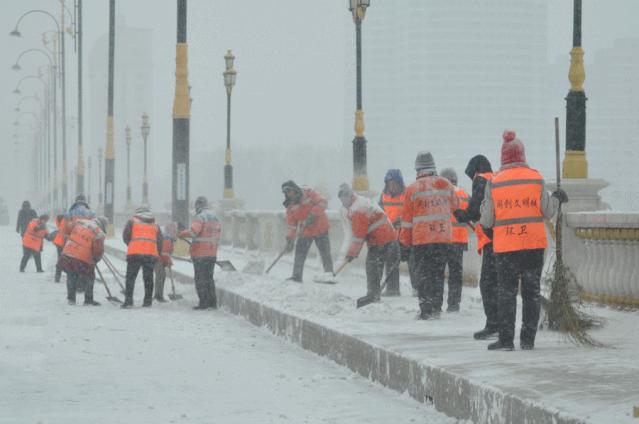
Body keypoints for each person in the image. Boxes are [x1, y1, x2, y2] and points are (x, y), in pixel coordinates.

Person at [480, 130, 567, 351]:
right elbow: (548, 212)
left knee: (507, 293)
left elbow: (487, 219)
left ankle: (507, 340)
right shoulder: (535, 178)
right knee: (531, 293)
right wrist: (556, 198)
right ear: (523, 155)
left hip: (507, 246)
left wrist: (485, 206)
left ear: (503, 157)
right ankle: (528, 340)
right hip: (533, 245)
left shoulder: (495, 182)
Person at [399, 152, 459, 320]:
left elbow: (406, 221)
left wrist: (404, 243)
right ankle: (437, 308)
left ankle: (426, 309)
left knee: (423, 274)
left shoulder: (412, 189)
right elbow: (456, 206)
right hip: (442, 238)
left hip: (422, 240)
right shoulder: (445, 184)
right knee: (438, 274)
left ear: (417, 168)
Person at [453, 155, 498, 339]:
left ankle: (493, 325)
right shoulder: (493, 179)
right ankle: (501, 324)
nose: (472, 179)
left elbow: (475, 210)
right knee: (499, 285)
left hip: (490, 240)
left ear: (475, 170)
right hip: (501, 239)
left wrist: (460, 214)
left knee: (488, 284)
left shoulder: (481, 180)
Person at [339, 183, 398, 304]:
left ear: (349, 197)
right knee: (377, 266)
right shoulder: (361, 202)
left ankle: (373, 295)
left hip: (381, 239)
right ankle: (376, 294)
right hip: (387, 236)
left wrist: (351, 254)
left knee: (373, 267)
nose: (343, 203)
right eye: (341, 200)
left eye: (344, 200)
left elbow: (358, 237)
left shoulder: (358, 209)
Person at [281, 180, 334, 283]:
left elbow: (323, 202)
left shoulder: (308, 193)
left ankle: (329, 275)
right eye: (286, 193)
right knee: (300, 253)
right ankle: (296, 276)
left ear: (294, 188)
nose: (289, 194)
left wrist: (312, 215)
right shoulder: (290, 206)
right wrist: (290, 239)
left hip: (320, 227)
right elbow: (292, 225)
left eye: (289, 191)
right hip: (305, 231)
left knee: (325, 252)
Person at [179, 196, 221, 310]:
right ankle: (212, 303)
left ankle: (203, 303)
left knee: (200, 279)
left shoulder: (200, 217)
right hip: (212, 253)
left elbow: (193, 232)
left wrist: (182, 234)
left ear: (198, 205)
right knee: (209, 278)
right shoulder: (215, 218)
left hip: (200, 253)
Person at [58, 216, 106, 305]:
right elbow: (98, 251)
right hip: (82, 258)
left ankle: (71, 299)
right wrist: (95, 260)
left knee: (71, 275)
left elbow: (67, 228)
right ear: (102, 225)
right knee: (89, 277)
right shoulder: (99, 232)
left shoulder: (80, 222)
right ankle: (88, 300)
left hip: (68, 253)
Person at [440, 167, 469, 312]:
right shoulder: (464, 194)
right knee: (456, 274)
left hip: (443, 239)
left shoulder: (441, 194)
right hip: (459, 241)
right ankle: (454, 304)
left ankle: (436, 303)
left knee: (439, 273)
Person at [121, 206, 163, 308]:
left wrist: (132, 245)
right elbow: (160, 241)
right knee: (148, 278)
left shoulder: (132, 222)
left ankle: (129, 301)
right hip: (150, 254)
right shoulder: (155, 225)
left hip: (135, 254)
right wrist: (158, 253)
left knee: (130, 278)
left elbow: (125, 236)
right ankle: (147, 302)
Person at [378, 169, 407, 296]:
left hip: (405, 234)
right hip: (390, 235)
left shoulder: (407, 195)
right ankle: (392, 289)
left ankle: (417, 289)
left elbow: (412, 211)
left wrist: (403, 219)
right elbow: (379, 213)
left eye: (394, 183)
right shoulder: (383, 196)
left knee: (413, 262)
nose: (392, 187)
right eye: (390, 184)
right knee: (390, 260)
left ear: (400, 183)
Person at [154, 222, 177, 303]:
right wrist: (168, 261)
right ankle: (158, 296)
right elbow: (165, 253)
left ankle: (158, 295)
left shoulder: (167, 237)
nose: (175, 234)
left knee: (160, 276)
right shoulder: (167, 238)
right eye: (174, 232)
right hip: (158, 259)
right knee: (160, 276)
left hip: (158, 259)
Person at [52, 214, 67, 283]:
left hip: (59, 242)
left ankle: (57, 277)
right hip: (63, 242)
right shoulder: (66, 221)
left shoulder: (61, 222)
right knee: (66, 260)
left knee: (61, 260)